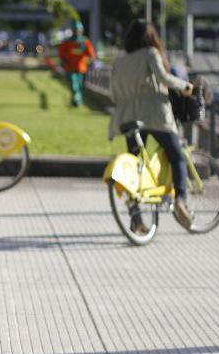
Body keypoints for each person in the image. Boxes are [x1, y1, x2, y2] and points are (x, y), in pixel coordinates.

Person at [108, 19, 195, 231]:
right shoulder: (150, 54)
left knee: (136, 166)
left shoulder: (120, 61)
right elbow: (163, 77)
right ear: (151, 37)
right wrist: (185, 86)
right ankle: (181, 201)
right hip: (155, 115)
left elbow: (112, 93)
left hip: (128, 117)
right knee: (177, 156)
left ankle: (136, 218)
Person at [57, 20, 95, 107]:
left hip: (82, 69)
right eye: (76, 30)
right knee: (74, 85)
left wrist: (90, 61)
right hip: (70, 68)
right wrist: (63, 62)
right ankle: (76, 99)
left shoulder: (85, 41)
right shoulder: (67, 42)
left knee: (80, 86)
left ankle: (78, 99)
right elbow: (61, 53)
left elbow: (91, 54)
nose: (77, 32)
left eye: (79, 30)